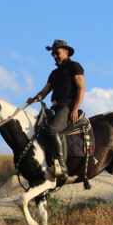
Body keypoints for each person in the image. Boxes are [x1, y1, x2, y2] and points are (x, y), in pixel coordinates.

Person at [27, 39, 85, 178]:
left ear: (66, 52)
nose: (54, 56)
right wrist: (35, 98)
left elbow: (81, 89)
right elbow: (44, 92)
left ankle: (62, 167)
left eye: (57, 53)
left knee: (53, 130)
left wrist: (75, 108)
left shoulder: (74, 66)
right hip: (54, 106)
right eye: (53, 54)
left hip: (67, 105)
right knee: (38, 128)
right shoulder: (54, 73)